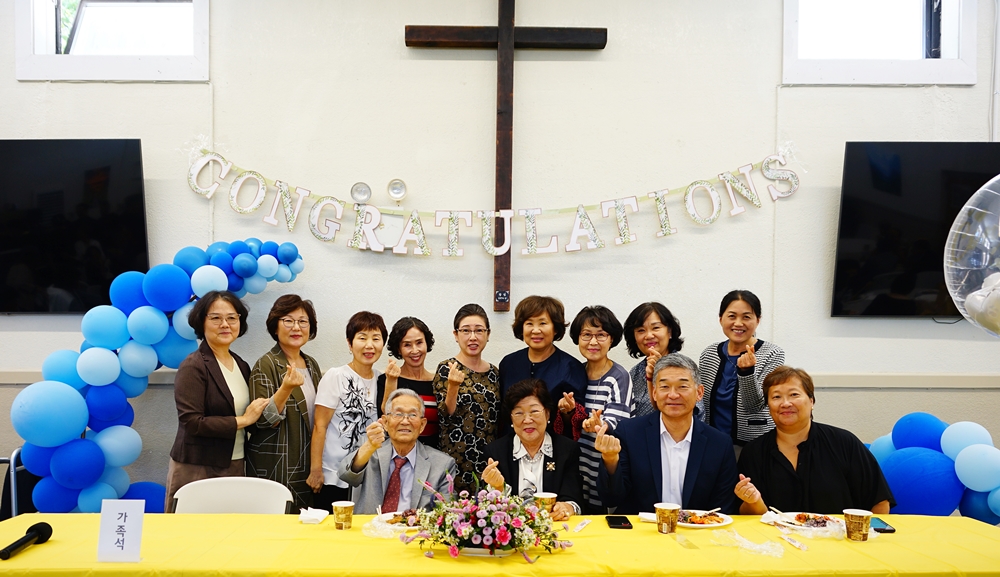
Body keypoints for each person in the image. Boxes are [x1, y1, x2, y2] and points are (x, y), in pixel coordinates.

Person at [734, 366, 895, 515]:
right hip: (775, 536)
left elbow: (879, 501)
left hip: (838, 536)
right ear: (769, 407)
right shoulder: (753, 452)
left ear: (811, 401)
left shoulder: (844, 443)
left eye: (794, 395)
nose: (785, 403)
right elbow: (747, 516)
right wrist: (753, 501)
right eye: (776, 397)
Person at [596, 354, 740, 515]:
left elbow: (723, 509)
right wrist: (610, 460)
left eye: (682, 386)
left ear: (699, 393)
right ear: (654, 393)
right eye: (664, 387)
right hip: (642, 528)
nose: (673, 395)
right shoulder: (629, 433)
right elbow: (611, 499)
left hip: (697, 528)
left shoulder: (719, 444)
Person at [166, 290, 269, 512]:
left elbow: (251, 414)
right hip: (197, 465)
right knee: (191, 530)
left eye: (232, 318)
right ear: (201, 322)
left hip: (235, 462)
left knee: (230, 530)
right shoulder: (193, 365)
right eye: (215, 318)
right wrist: (243, 420)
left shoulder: (241, 365)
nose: (225, 324)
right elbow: (192, 422)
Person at [245, 294, 324, 511]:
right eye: (288, 321)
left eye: (303, 321)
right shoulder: (266, 364)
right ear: (275, 326)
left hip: (306, 463)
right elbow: (261, 421)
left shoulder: (311, 364)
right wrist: (286, 388)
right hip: (276, 466)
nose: (296, 327)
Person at [307, 311, 387, 512]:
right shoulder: (336, 376)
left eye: (376, 338)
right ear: (350, 344)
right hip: (333, 475)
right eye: (362, 338)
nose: (369, 345)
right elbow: (320, 426)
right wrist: (316, 470)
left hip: (366, 476)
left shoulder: (382, 380)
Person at [339, 389, 458, 514]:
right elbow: (345, 476)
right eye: (398, 414)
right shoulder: (369, 448)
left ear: (422, 425)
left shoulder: (442, 464)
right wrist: (369, 447)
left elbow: (448, 512)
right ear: (385, 422)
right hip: (371, 525)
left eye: (412, 415)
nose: (405, 421)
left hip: (413, 526)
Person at [482, 379, 584, 521]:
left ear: (547, 414)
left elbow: (573, 498)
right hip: (513, 530)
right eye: (519, 413)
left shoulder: (567, 450)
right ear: (511, 418)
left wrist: (566, 507)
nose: (527, 420)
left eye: (534, 411)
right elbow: (486, 509)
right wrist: (498, 488)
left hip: (555, 527)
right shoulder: (495, 452)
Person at [699, 290, 785, 452]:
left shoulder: (772, 354)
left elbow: (755, 406)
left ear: (757, 320)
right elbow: (701, 401)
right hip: (712, 442)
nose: (738, 323)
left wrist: (746, 373)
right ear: (721, 319)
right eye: (732, 316)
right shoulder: (709, 353)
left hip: (753, 445)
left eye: (746, 317)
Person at [498, 295, 588, 440]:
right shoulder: (508, 363)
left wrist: (568, 411)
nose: (535, 330)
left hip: (554, 446)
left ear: (556, 329)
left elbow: (577, 423)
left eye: (543, 323)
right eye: (529, 323)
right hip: (511, 444)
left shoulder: (571, 367)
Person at [433, 304, 500, 494]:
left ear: (487, 334)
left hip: (488, 457)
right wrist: (453, 386)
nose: (473, 337)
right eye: (466, 331)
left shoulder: (494, 373)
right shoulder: (447, 368)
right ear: (456, 335)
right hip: (455, 456)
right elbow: (446, 415)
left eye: (479, 330)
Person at [572, 306, 632, 513]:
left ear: (611, 339)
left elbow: (617, 421)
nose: (593, 342)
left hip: (602, 464)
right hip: (578, 463)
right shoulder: (575, 372)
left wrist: (600, 424)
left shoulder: (619, 376)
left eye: (601, 335)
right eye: (586, 335)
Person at [376, 317, 439, 448]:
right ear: (398, 349)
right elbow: (385, 413)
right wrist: (391, 380)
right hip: (398, 453)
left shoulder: (438, 382)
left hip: (434, 454)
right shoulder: (387, 379)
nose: (415, 350)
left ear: (427, 343)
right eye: (407, 345)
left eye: (419, 342)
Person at [622, 302, 684, 418]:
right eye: (641, 330)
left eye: (656, 328)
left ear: (669, 332)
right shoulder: (634, 373)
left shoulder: (685, 368)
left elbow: (693, 414)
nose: (649, 336)